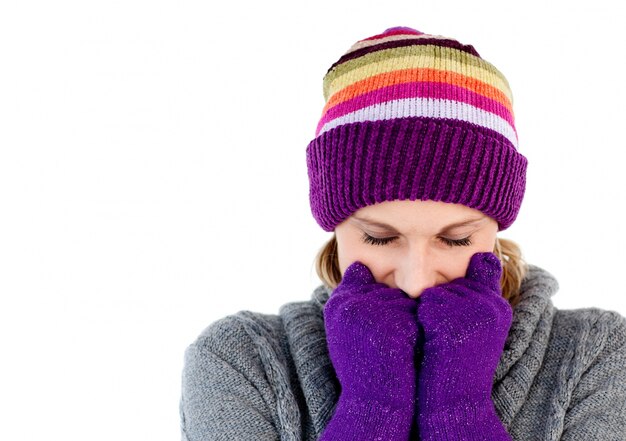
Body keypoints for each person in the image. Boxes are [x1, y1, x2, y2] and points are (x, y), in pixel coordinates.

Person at [179, 26, 626, 440]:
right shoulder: (240, 362)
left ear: (495, 229)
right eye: (379, 237)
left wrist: (460, 410)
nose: (417, 280)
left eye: (455, 240)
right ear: (335, 228)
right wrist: (370, 410)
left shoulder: (595, 355)